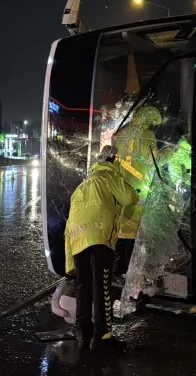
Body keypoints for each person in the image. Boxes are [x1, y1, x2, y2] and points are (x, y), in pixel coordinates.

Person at [64, 145, 139, 350]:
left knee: (83, 285)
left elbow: (69, 225)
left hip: (78, 239)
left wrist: (69, 259)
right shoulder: (109, 176)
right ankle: (102, 337)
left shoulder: (83, 185)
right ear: (113, 162)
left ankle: (84, 332)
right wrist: (123, 181)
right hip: (99, 237)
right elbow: (130, 198)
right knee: (101, 286)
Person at [112, 106, 173, 277]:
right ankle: (127, 269)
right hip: (137, 189)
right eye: (152, 123)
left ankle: (115, 266)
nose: (153, 127)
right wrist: (171, 151)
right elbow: (152, 161)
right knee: (132, 233)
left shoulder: (122, 132)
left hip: (118, 187)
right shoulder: (147, 135)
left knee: (119, 228)